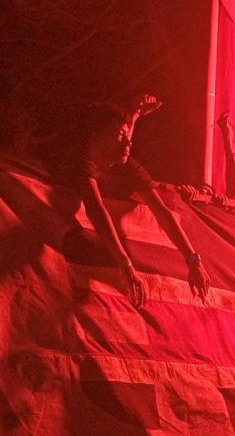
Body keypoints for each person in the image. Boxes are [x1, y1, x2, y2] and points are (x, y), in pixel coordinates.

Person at [48, 94, 211, 307]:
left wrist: (193, 260)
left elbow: (162, 212)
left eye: (128, 134)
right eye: (120, 135)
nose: (129, 141)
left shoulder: (127, 166)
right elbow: (97, 211)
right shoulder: (76, 164)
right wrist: (126, 266)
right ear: (95, 137)